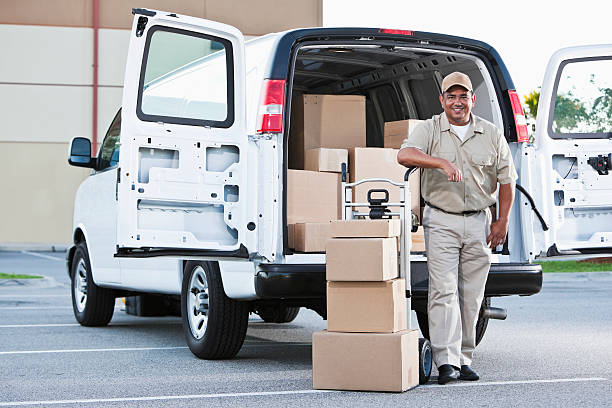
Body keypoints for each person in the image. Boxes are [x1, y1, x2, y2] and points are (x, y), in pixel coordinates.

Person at [397, 72, 517, 384]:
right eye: (451, 96)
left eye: (463, 96)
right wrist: (440, 163)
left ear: (472, 100)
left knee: (472, 294)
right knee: (443, 291)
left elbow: (507, 180)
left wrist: (502, 220)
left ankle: (464, 359)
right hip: (442, 220)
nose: (457, 102)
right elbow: (404, 155)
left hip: (480, 221)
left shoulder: (490, 133)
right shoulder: (431, 128)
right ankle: (445, 361)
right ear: (442, 100)